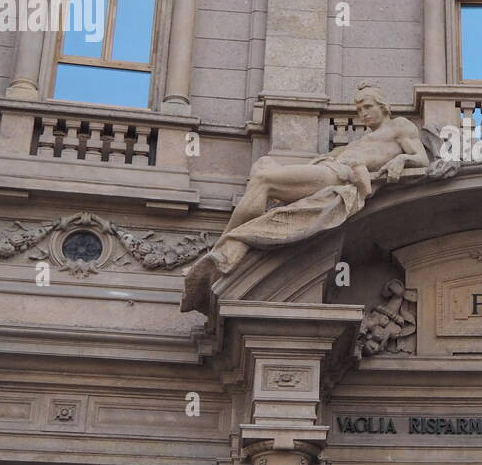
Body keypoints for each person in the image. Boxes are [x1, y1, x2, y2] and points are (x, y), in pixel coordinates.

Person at [182, 84, 429, 311]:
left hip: (336, 176)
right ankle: (240, 240)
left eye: (368, 107)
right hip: (329, 166)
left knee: (263, 180)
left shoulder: (400, 126)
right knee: (263, 163)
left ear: (383, 106)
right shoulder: (362, 138)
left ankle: (227, 249)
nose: (363, 114)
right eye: (358, 109)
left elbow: (422, 159)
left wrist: (402, 159)